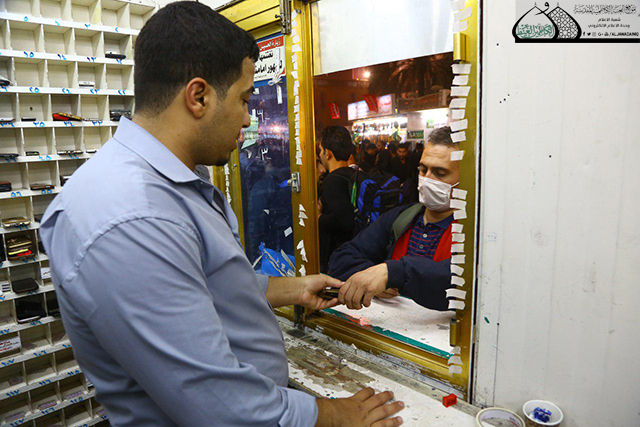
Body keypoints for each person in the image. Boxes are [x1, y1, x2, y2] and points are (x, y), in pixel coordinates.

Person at [39, 4, 403, 427]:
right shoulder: (133, 216)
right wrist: (334, 415)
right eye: (244, 99)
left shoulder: (172, 184)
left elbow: (202, 283)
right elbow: (216, 402)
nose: (248, 118)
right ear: (199, 97)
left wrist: (294, 289)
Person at [328, 127, 458, 311]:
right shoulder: (402, 218)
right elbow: (342, 256)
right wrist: (371, 277)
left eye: (440, 173)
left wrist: (393, 273)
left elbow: (458, 278)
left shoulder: (473, 231)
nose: (427, 179)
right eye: (423, 170)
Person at [318, 126, 357, 272]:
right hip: (354, 252)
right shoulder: (353, 174)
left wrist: (318, 217)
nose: (320, 155)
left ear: (327, 153)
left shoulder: (332, 181)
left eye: (320, 150)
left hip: (338, 257)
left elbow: (342, 220)